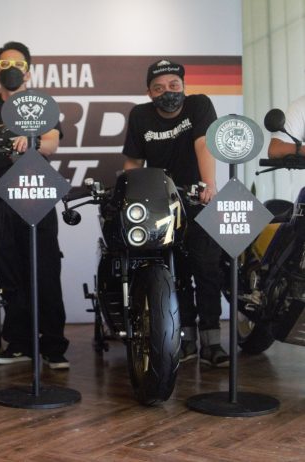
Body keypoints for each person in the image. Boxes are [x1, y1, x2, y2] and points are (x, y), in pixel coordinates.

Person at [0, 41, 70, 369]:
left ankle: (53, 346)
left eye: (18, 65)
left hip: (37, 195)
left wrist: (34, 141)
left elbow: (52, 143)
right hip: (1, 199)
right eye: (5, 65)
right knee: (9, 273)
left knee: (46, 270)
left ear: (28, 72)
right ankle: (19, 343)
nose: (12, 70)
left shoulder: (41, 105)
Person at [122, 59, 229, 368]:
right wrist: (129, 196)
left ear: (183, 86)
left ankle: (212, 342)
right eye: (158, 88)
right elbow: (133, 163)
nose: (167, 92)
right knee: (175, 273)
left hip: (199, 198)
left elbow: (203, 144)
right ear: (149, 92)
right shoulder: (140, 115)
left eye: (173, 85)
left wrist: (209, 184)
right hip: (160, 204)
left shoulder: (199, 105)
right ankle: (186, 340)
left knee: (207, 269)